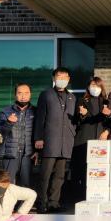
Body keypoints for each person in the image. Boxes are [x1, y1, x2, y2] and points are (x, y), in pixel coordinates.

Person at [34, 67, 77, 213]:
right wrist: (38, 138)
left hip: (65, 142)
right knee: (45, 175)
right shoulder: (46, 94)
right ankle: (42, 203)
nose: (62, 79)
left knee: (60, 175)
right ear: (53, 78)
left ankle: (54, 203)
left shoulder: (72, 97)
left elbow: (73, 120)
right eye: (59, 76)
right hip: (50, 141)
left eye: (65, 77)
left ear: (69, 79)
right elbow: (40, 117)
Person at [71, 77, 111, 201]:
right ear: (88, 87)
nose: (95, 88)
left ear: (101, 87)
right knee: (82, 169)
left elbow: (110, 121)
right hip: (84, 139)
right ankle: (80, 197)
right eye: (92, 85)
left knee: (98, 170)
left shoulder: (106, 101)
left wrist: (107, 131)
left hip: (100, 138)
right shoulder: (81, 100)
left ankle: (97, 195)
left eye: (97, 85)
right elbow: (76, 120)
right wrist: (82, 115)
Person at [0, 83, 37, 187]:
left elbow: (38, 133)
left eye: (26, 93)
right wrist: (9, 122)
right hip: (10, 153)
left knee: (26, 185)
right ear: (15, 95)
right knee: (8, 184)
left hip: (28, 154)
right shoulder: (6, 111)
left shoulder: (36, 111)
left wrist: (37, 151)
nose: (23, 96)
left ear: (30, 95)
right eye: (20, 93)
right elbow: (2, 131)